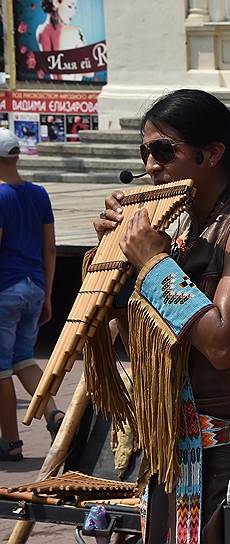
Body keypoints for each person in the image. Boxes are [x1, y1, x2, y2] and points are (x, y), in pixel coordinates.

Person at [92, 90, 230, 544]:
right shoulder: (186, 228)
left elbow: (223, 345)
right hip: (176, 452)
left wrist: (153, 263)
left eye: (164, 151)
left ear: (211, 154)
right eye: (145, 151)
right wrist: (119, 271)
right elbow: (152, 347)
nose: (151, 166)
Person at [0, 128, 64, 462]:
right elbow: (50, 248)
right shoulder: (39, 194)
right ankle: (52, 413)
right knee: (25, 359)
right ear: (17, 155)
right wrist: (49, 294)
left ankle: (10, 442)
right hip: (35, 285)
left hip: (4, 289)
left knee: (0, 370)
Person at [36, 0, 88, 81]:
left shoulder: (40, 30)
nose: (73, 13)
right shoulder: (73, 32)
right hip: (72, 86)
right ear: (56, 2)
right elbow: (88, 72)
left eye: (75, 8)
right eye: (70, 6)